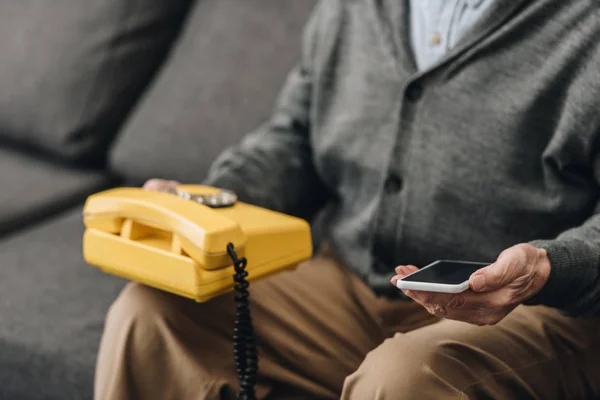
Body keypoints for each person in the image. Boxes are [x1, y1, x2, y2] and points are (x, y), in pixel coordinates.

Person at [94, 0, 600, 398]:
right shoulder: (351, 7)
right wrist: (214, 200)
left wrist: (547, 267)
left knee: (403, 378)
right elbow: (296, 138)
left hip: (534, 311)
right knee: (152, 312)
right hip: (346, 284)